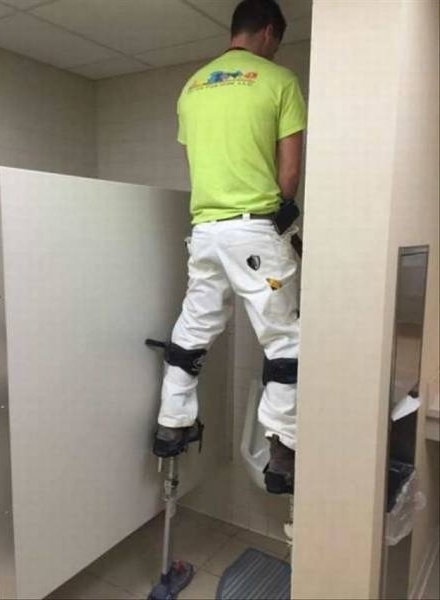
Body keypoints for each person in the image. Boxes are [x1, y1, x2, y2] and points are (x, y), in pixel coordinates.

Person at [153, 0, 306, 495]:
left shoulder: (192, 87)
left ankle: (172, 421)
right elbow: (289, 174)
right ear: (269, 32)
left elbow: (196, 163)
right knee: (285, 339)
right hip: (253, 229)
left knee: (194, 327)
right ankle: (282, 447)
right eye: (277, 41)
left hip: (205, 231)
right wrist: (282, 210)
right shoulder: (279, 81)